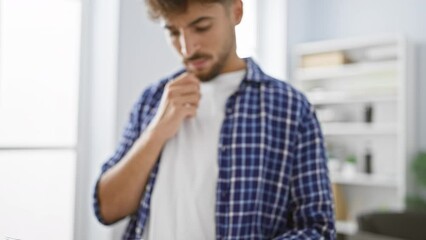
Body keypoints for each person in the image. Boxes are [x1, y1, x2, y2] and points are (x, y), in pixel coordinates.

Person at [93, 0, 336, 239]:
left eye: (201, 27)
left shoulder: (291, 108)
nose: (188, 48)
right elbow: (107, 209)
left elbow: (318, 229)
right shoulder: (152, 99)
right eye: (174, 32)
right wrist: (157, 131)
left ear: (236, 11)